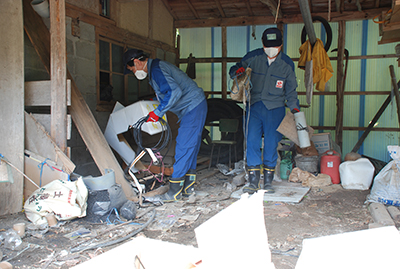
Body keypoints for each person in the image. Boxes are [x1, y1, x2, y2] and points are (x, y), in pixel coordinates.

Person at [123, 49, 207, 202]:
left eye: (132, 69)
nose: (134, 73)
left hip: (192, 107)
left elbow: (174, 92)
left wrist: (157, 112)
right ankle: (188, 189)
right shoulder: (156, 69)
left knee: (183, 145)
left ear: (137, 62)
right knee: (190, 147)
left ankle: (173, 192)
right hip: (194, 106)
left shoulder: (156, 70)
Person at [229, 27, 300, 194]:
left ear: (281, 45)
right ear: (262, 43)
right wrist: (236, 72)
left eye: (275, 46)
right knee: (252, 141)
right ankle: (253, 181)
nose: (271, 49)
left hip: (275, 110)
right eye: (268, 45)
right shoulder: (252, 58)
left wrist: (295, 109)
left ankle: (268, 182)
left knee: (270, 144)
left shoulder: (287, 64)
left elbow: (291, 91)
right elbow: (234, 69)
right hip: (254, 107)